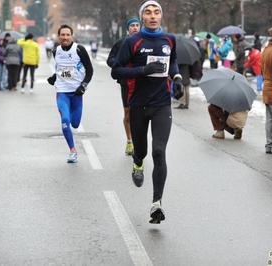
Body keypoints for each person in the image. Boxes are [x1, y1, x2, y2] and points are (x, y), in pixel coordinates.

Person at [111, 0, 184, 224]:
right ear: (142, 17)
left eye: (156, 12)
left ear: (161, 17)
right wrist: (143, 70)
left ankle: (156, 204)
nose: (153, 16)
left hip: (162, 105)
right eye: (148, 13)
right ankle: (137, 162)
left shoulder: (169, 39)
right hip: (138, 104)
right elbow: (116, 71)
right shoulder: (132, 41)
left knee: (159, 152)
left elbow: (172, 62)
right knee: (141, 151)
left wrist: (177, 78)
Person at [47, 24, 93, 163]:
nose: (65, 37)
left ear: (71, 36)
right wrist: (54, 77)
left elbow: (90, 70)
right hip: (62, 92)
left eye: (68, 35)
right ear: (59, 36)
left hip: (77, 92)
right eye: (63, 35)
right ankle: (72, 150)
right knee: (65, 121)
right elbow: (61, 68)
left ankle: (72, 118)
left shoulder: (79, 49)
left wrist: (83, 86)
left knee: (75, 124)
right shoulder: (56, 51)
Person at [107, 16, 141, 155]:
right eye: (132, 25)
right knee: (128, 114)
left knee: (140, 114)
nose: (135, 27)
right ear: (127, 28)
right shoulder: (121, 43)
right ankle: (129, 141)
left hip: (141, 82)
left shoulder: (145, 42)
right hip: (126, 82)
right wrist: (121, 66)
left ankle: (139, 142)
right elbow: (111, 60)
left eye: (137, 25)